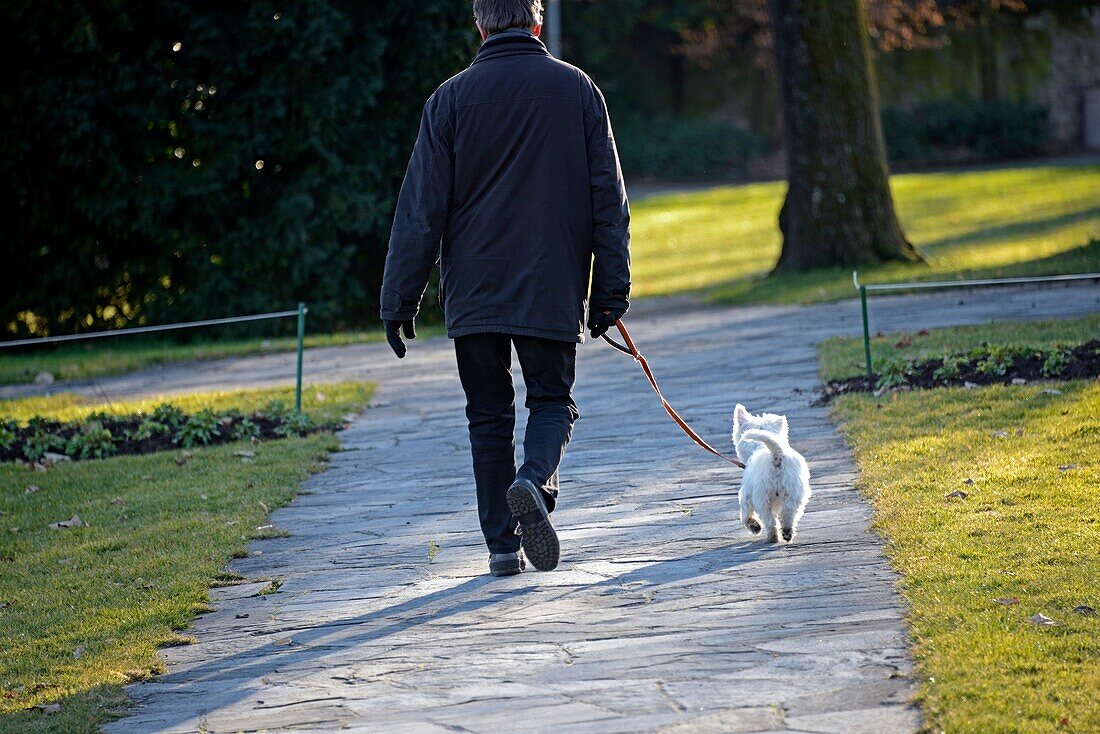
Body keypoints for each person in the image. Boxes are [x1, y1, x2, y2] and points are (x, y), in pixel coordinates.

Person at [379, 0, 630, 577]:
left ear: (480, 24)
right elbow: (607, 202)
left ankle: (501, 546)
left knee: (487, 414)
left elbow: (420, 208)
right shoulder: (579, 91)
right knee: (551, 399)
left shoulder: (449, 100)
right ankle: (534, 483)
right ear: (536, 22)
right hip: (549, 283)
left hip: (474, 291)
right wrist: (610, 291)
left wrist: (399, 299)